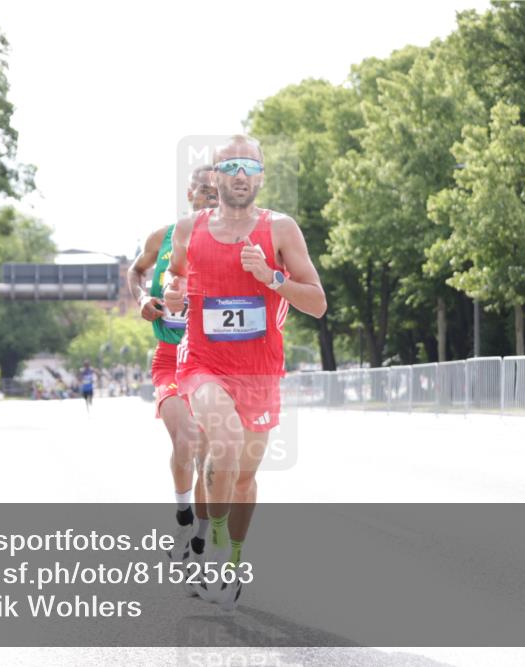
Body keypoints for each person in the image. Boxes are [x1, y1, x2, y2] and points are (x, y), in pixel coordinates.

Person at [165, 135, 326, 609]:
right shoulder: (187, 229)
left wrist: (272, 278)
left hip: (260, 372)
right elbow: (175, 278)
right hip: (203, 364)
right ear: (213, 176)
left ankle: (232, 556)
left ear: (260, 176)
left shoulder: (281, 230)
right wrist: (174, 297)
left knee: (242, 479)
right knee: (224, 441)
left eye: (248, 166)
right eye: (229, 166)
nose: (239, 174)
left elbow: (317, 303)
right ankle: (209, 547)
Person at [128, 165, 217, 580]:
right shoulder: (163, 236)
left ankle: (200, 539)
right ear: (189, 193)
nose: (210, 197)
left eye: (218, 192)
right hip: (171, 356)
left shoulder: (236, 242)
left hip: (215, 362)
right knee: (187, 440)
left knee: (209, 461)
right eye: (203, 190)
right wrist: (143, 296)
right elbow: (135, 270)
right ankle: (184, 517)